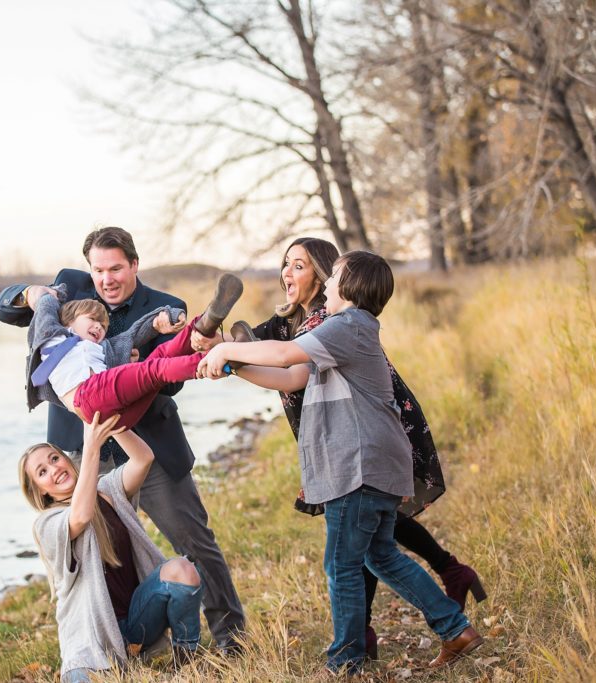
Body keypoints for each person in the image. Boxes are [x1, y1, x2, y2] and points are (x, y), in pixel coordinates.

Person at [199, 250, 483, 674]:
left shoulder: (348, 326)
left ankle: (345, 661)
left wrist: (225, 349)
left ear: (349, 289)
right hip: (368, 465)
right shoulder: (343, 331)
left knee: (342, 565)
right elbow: (292, 377)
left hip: (360, 466)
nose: (328, 282)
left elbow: (282, 355)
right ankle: (454, 628)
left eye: (334, 276)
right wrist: (235, 366)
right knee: (380, 556)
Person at [0, 226, 246, 650]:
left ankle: (230, 639)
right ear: (88, 269)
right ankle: (115, 645)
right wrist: (30, 295)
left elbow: (170, 386)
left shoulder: (166, 307)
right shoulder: (69, 286)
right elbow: (3, 308)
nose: (107, 279)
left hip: (149, 446)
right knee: (93, 558)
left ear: (134, 264)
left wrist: (137, 365)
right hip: (81, 450)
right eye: (99, 270)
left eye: (116, 268)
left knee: (196, 542)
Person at [21, 411, 204, 681]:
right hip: (90, 646)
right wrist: (92, 447)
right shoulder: (47, 524)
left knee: (182, 570)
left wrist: (108, 416)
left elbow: (143, 458)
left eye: (54, 458)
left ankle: (187, 664)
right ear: (41, 491)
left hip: (136, 621)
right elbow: (80, 516)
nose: (55, 468)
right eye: (42, 472)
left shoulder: (107, 490)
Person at [27, 274, 242, 431]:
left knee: (159, 356)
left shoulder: (102, 348)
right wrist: (49, 296)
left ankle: (203, 325)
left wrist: (163, 317)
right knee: (154, 370)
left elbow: (134, 333)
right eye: (92, 319)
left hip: (118, 416)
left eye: (103, 325)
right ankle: (221, 358)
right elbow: (45, 312)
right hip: (88, 400)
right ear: (69, 320)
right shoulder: (54, 338)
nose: (99, 327)